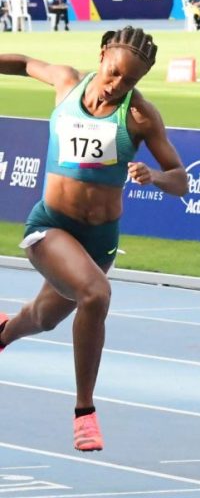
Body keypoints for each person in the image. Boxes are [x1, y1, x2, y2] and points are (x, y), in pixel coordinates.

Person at [0, 26, 189, 450]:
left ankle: (3, 334)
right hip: (50, 226)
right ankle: (85, 411)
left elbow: (183, 180)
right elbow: (25, 63)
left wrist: (155, 176)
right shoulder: (67, 83)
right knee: (96, 295)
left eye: (130, 81)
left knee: (44, 318)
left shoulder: (140, 116)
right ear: (103, 55)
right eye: (114, 72)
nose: (117, 84)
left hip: (99, 240)